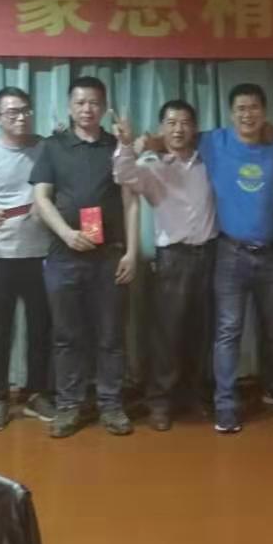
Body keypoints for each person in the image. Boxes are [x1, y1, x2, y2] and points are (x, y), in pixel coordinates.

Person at [31, 77, 139, 438]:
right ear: (69, 107)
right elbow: (41, 198)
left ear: (104, 107)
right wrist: (66, 233)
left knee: (111, 335)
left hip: (109, 257)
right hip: (64, 256)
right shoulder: (53, 146)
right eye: (80, 103)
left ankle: (111, 405)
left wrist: (132, 252)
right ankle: (68, 406)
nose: (87, 109)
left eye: (94, 103)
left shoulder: (116, 146)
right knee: (67, 336)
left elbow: (130, 200)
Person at [114, 99, 218, 431]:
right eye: (171, 123)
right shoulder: (152, 166)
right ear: (162, 128)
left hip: (210, 255)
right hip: (173, 259)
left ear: (194, 128)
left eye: (185, 122)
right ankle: (160, 402)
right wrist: (126, 144)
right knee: (167, 335)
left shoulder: (208, 162)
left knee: (202, 332)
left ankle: (194, 395)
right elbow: (123, 174)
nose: (178, 129)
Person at [196, 83, 273, 435]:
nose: (247, 114)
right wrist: (145, 142)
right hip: (230, 253)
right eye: (240, 108)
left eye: (253, 108)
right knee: (228, 331)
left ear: (264, 112)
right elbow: (175, 138)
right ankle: (225, 404)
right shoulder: (215, 142)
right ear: (230, 113)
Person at [0, 86, 56, 431]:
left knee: (42, 328)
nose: (21, 117)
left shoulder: (47, 147)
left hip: (43, 252)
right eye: (12, 112)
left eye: (25, 110)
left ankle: (37, 393)